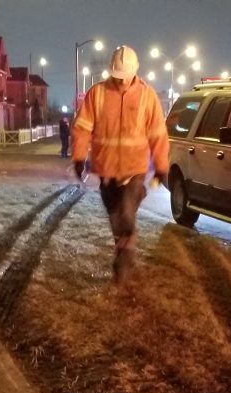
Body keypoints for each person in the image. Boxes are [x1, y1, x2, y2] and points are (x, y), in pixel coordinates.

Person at [70, 45, 169, 285]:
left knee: (126, 214)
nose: (122, 81)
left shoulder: (147, 95)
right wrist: (79, 158)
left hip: (134, 171)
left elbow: (157, 133)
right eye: (118, 76)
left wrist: (161, 166)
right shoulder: (98, 94)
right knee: (116, 218)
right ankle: (122, 248)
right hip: (106, 172)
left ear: (135, 71)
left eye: (125, 76)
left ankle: (124, 260)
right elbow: (82, 128)